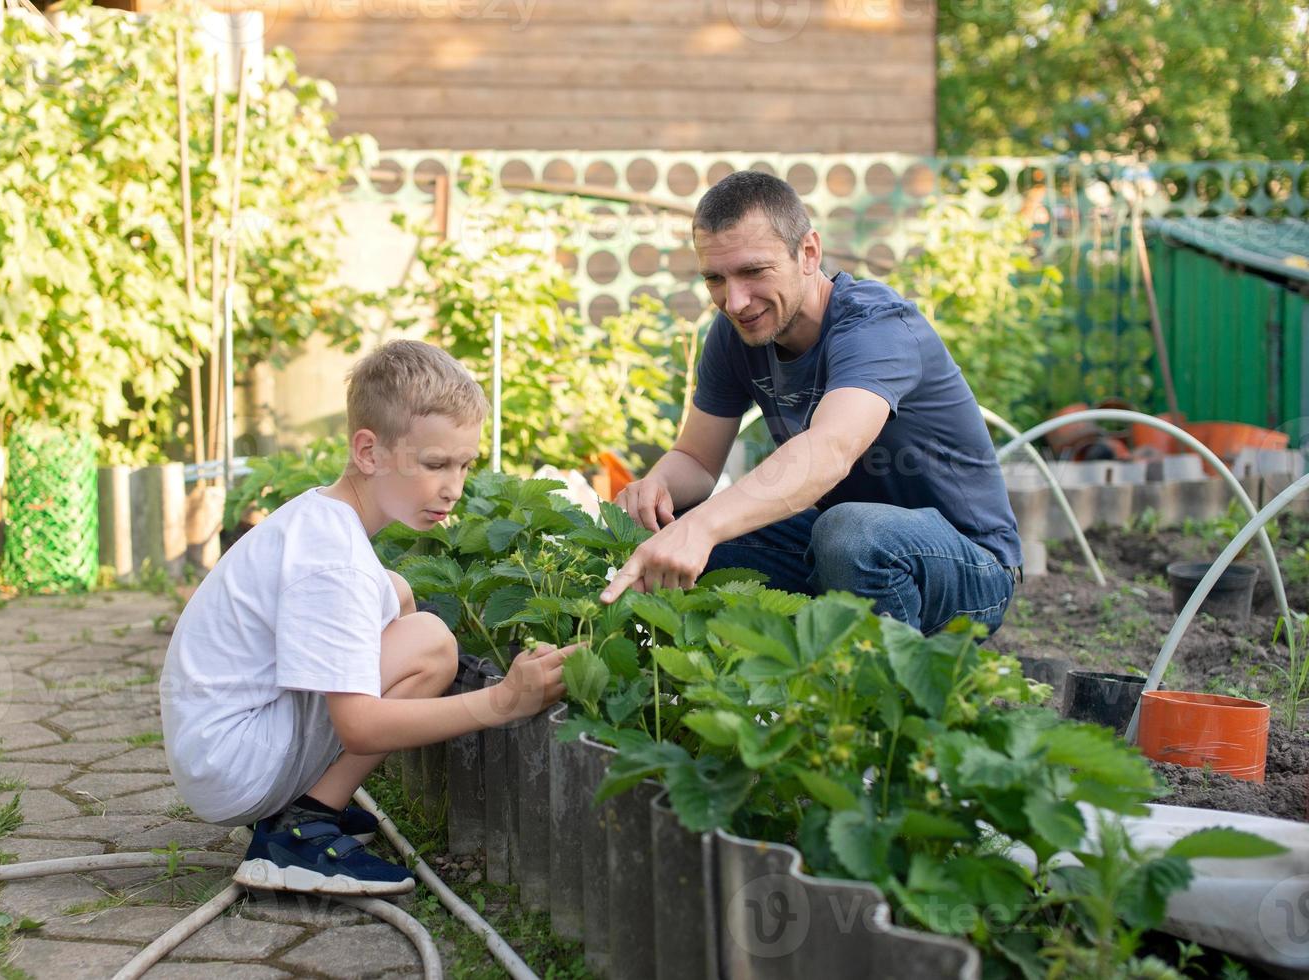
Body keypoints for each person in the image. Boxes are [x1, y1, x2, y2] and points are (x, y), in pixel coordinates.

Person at [161, 340, 574, 896]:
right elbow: (359, 725)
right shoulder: (337, 560)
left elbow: (381, 604)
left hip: (219, 747)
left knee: (401, 596)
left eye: (464, 464)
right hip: (235, 763)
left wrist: (395, 599)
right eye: (434, 465)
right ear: (369, 452)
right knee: (430, 643)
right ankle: (300, 834)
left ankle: (306, 813)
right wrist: (501, 702)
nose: (454, 487)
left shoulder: (320, 518)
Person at [600, 170, 1023, 636]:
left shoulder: (875, 325)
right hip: (842, 549)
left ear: (808, 253)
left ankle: (891, 693)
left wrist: (703, 528)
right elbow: (697, 461)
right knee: (668, 531)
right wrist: (655, 488)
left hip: (967, 566)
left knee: (847, 532)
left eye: (753, 271)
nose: (735, 301)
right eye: (715, 278)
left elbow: (829, 452)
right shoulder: (737, 333)